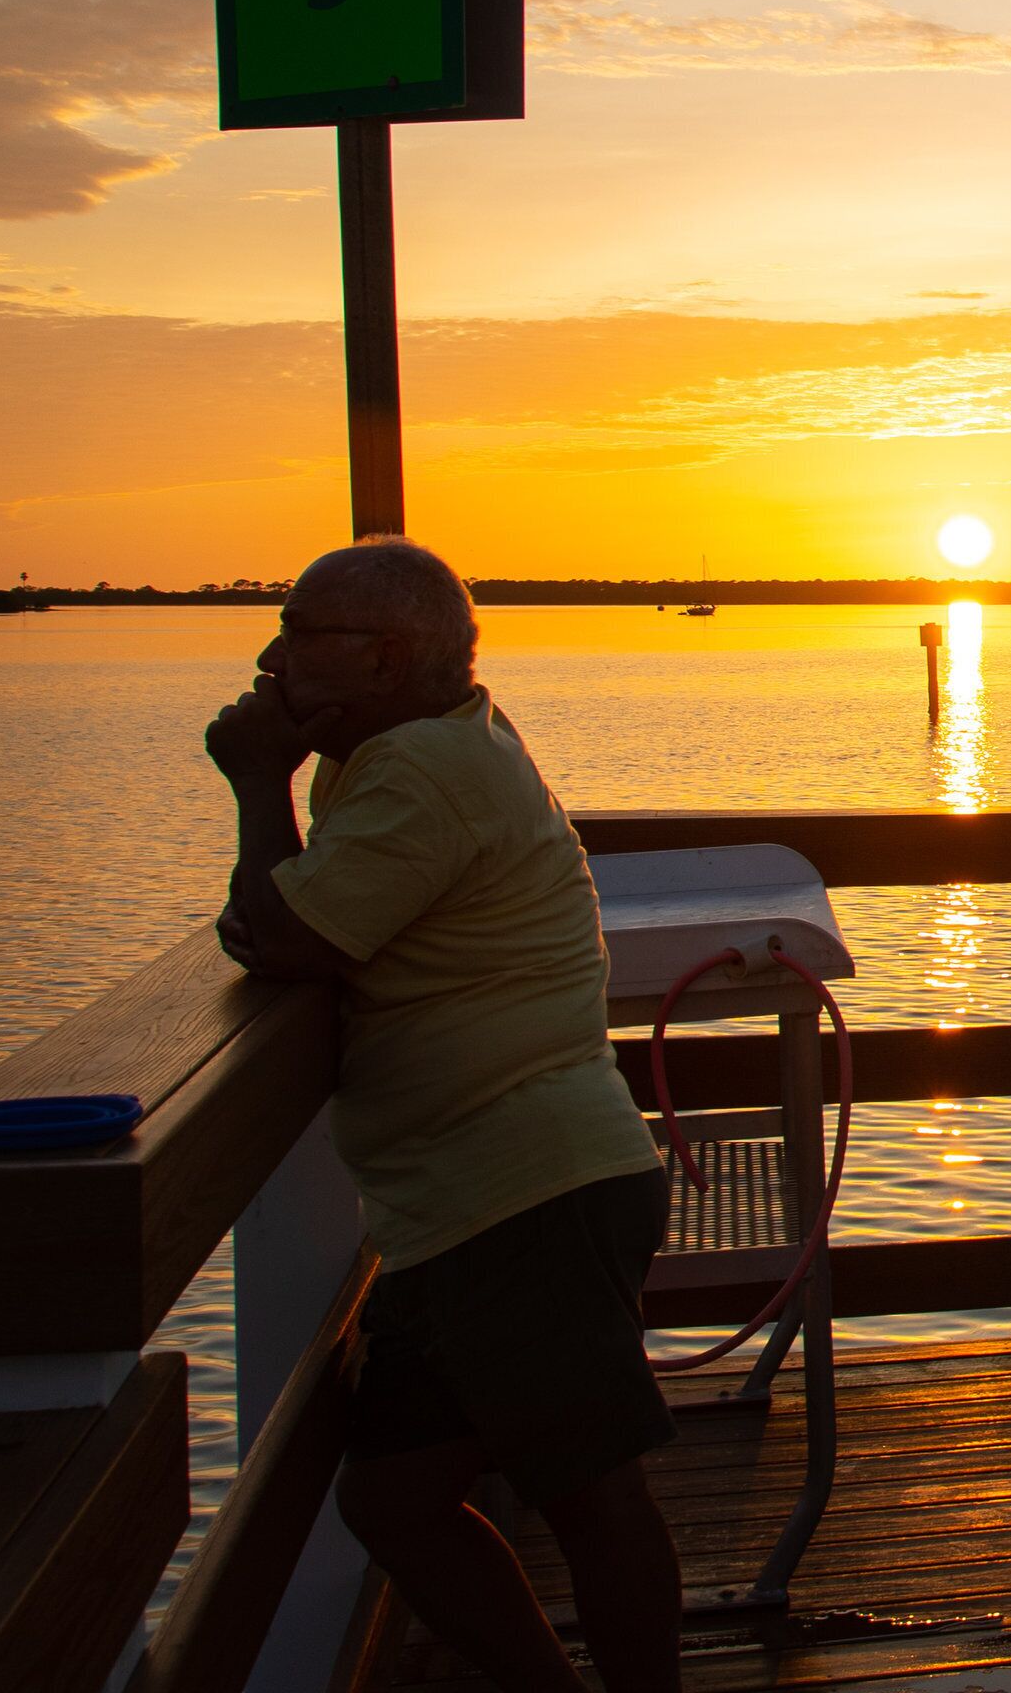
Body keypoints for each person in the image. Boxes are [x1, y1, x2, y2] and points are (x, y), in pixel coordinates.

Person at [204, 540, 680, 1693]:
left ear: (386, 655)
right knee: (395, 1496)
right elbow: (283, 924)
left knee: (590, 1492)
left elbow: (283, 939)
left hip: (523, 1186)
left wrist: (256, 785)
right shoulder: (425, 747)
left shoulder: (419, 770)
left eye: (299, 634)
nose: (271, 660)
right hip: (468, 1198)